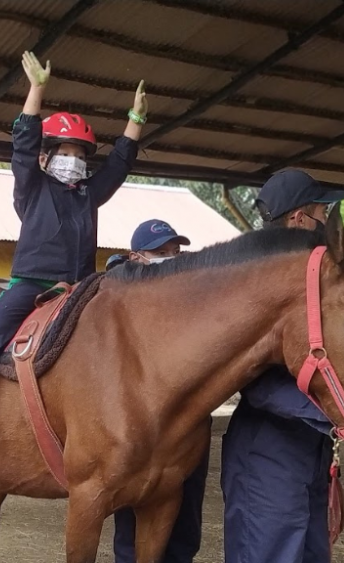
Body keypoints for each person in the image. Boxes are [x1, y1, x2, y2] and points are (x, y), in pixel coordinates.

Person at [0, 51, 149, 435]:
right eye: (66, 153)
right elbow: (23, 144)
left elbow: (119, 165)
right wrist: (36, 90)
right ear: (47, 157)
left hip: (81, 286)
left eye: (79, 155)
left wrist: (135, 118)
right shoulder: (32, 188)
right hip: (33, 283)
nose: (73, 161)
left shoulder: (89, 194)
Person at [220, 169, 344, 563]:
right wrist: (329, 413)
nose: (327, 221)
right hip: (268, 449)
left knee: (311, 551)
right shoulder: (254, 282)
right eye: (321, 212)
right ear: (298, 219)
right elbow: (250, 374)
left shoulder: (308, 282)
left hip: (308, 448)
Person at [108, 220, 209, 563]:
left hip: (188, 425)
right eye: (161, 253)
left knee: (186, 519)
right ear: (137, 257)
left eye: (176, 252)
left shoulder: (193, 303)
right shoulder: (120, 302)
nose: (172, 259)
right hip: (142, 427)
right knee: (133, 518)